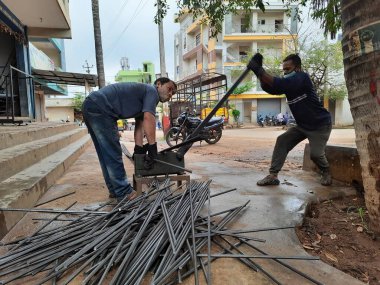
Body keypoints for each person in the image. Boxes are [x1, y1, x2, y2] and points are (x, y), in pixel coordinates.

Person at [82, 78, 177, 201]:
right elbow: (149, 118)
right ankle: (124, 191)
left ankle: (115, 190)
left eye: (173, 93)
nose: (170, 94)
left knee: (105, 153)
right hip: (101, 107)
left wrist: (139, 148)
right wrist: (153, 147)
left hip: (91, 105)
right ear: (158, 84)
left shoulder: (144, 94)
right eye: (169, 89)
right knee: (113, 151)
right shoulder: (152, 91)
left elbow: (140, 124)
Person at [248, 53, 332, 186]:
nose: (285, 72)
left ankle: (326, 171)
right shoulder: (288, 84)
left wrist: (259, 70)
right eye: (284, 70)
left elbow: (279, 84)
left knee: (315, 154)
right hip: (303, 125)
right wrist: (259, 74)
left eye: (288, 69)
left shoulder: (302, 78)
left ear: (297, 68)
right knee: (282, 141)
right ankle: (273, 175)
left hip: (319, 125)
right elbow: (271, 88)